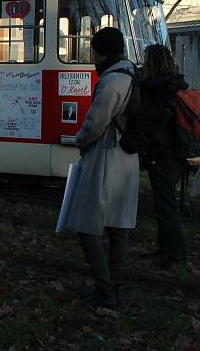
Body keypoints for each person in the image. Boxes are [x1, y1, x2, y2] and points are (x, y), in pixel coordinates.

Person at [66, 27, 139, 308]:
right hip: (126, 158)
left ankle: (105, 289)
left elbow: (95, 124)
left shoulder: (111, 82)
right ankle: (114, 284)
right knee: (118, 226)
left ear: (102, 52)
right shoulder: (131, 74)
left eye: (94, 50)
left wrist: (80, 141)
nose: (92, 56)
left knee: (87, 225)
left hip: (107, 158)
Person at [137, 44, 189, 267]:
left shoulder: (154, 89)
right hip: (176, 152)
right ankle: (165, 249)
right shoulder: (176, 84)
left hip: (161, 153)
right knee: (165, 204)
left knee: (166, 206)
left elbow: (151, 123)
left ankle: (174, 254)